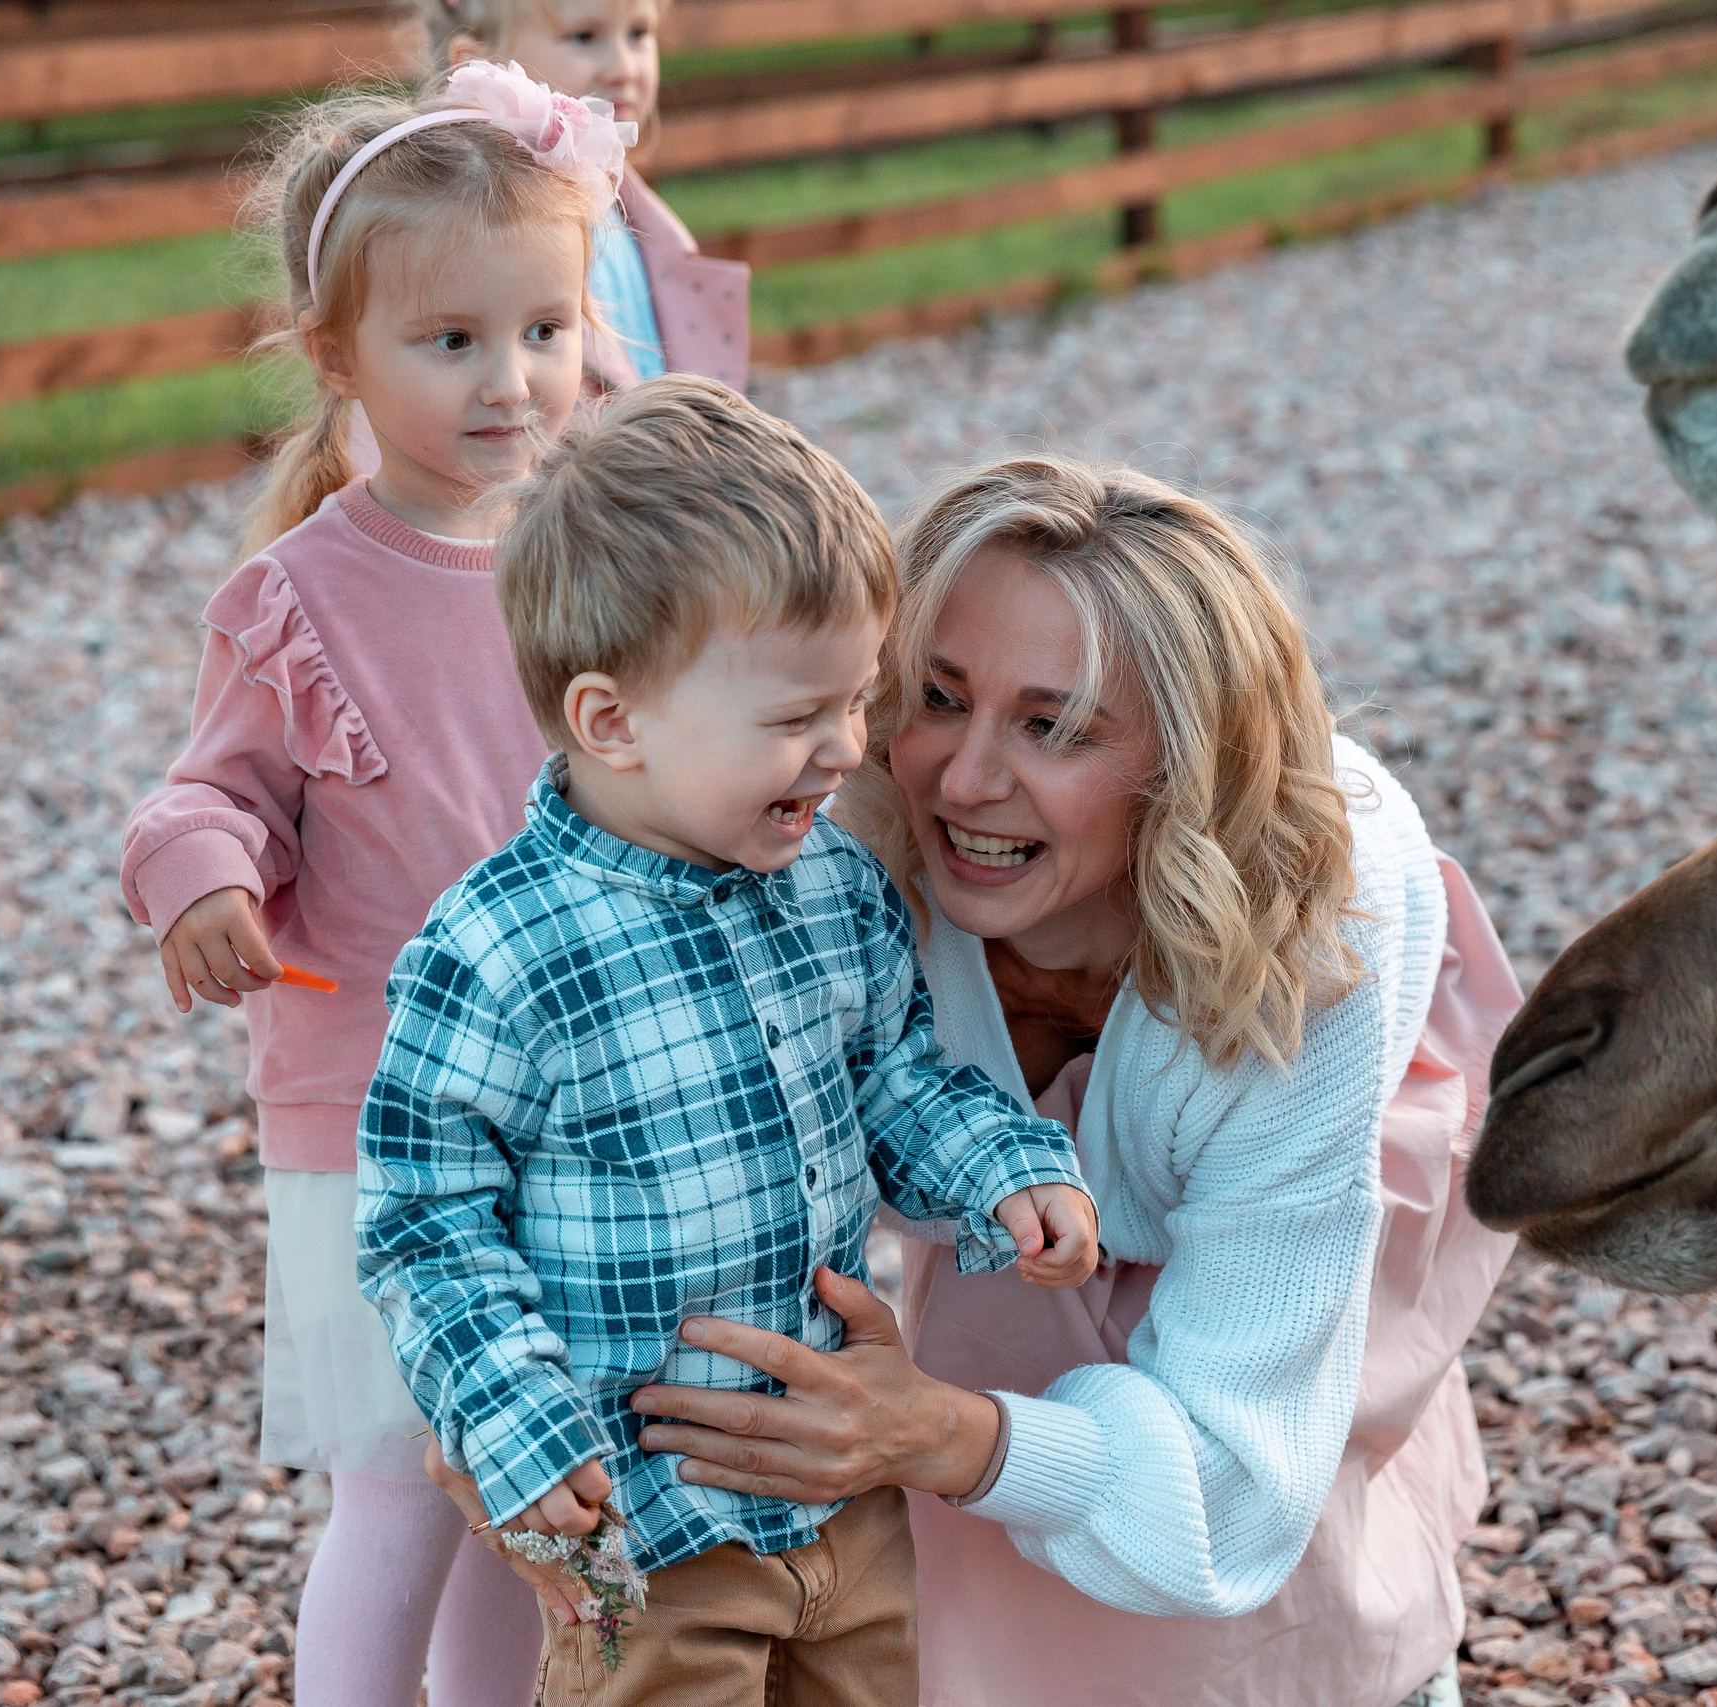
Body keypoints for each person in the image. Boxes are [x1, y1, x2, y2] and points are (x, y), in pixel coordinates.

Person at [450, 456, 1525, 1706]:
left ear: (1187, 761)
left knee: (1286, 1584)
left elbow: (1238, 1481)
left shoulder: (1314, 946)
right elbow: (568, 1117)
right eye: (937, 698)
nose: (962, 781)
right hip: (987, 1333)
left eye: (1052, 727)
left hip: (1265, 1311)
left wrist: (939, 1432)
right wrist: (487, 1387)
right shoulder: (810, 847)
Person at [360, 377, 1103, 1707]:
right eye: (792, 719)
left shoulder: (832, 885)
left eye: (857, 700)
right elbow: (427, 1220)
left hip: (836, 1478)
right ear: (611, 721)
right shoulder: (499, 948)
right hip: (640, 1518)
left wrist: (1001, 1165)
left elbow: (894, 1080)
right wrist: (514, 1420)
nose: (846, 751)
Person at [118, 63, 625, 1707]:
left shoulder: (590, 563)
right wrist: (205, 881)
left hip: (561, 1106)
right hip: (376, 1121)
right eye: (454, 340)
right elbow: (207, 795)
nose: (512, 381)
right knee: (401, 1489)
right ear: (337, 357)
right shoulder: (298, 597)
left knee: (513, 1493)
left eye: (545, 330)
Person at [417, 0, 750, 390]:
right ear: (475, 66)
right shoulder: (476, 239)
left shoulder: (621, 209)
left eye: (638, 33)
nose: (624, 68)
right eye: (584, 37)